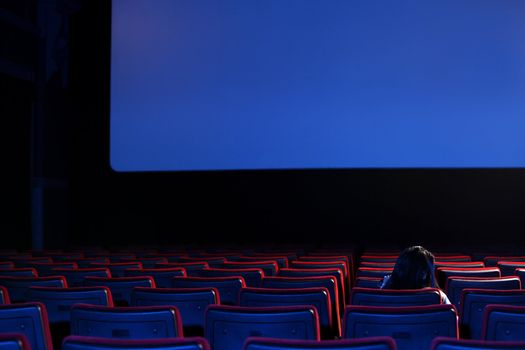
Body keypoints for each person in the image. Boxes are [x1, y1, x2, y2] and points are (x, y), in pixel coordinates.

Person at [380, 245, 451, 304]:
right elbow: (453, 319)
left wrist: (383, 290)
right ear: (424, 274)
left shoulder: (382, 297)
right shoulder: (439, 297)